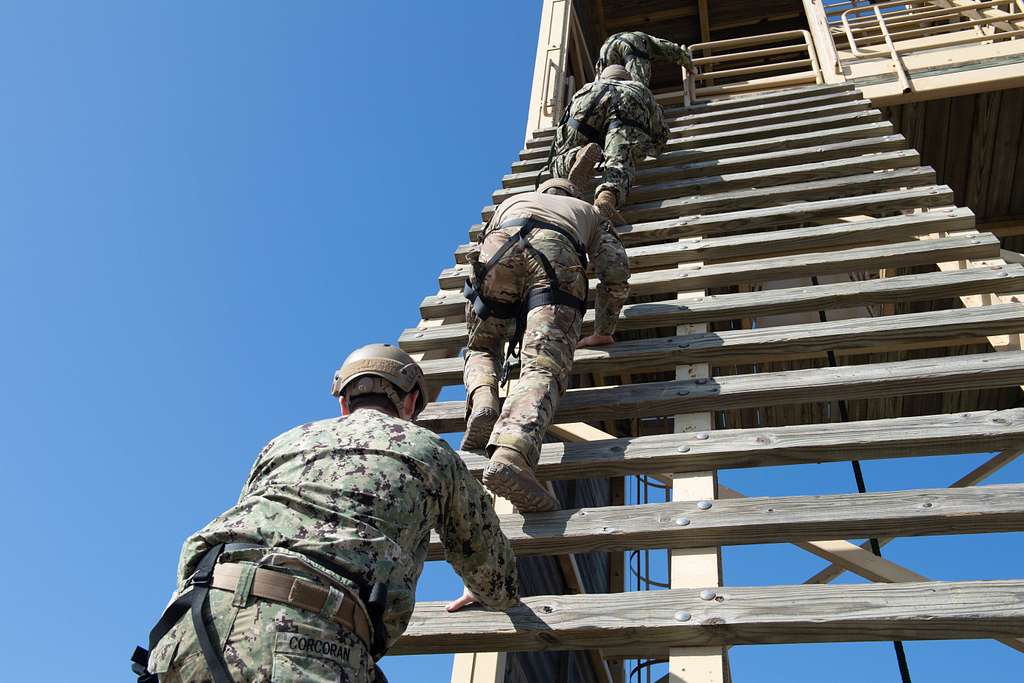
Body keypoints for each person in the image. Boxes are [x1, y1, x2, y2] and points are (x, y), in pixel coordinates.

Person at [132, 344, 519, 683]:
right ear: (411, 402)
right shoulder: (431, 450)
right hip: (304, 636)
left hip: (190, 628)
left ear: (343, 401)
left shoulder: (282, 443)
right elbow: (494, 575)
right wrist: (483, 588)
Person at [462, 178, 630, 512]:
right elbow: (615, 270)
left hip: (498, 249)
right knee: (542, 365)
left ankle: (483, 398)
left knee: (483, 346)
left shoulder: (513, 200)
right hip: (556, 256)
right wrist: (603, 329)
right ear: (572, 193)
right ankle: (511, 453)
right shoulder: (587, 211)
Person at [549, 64, 669, 225]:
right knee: (620, 161)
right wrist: (654, 147)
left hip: (585, 112)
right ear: (626, 77)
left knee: (563, 152)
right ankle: (607, 197)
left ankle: (575, 157)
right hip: (623, 122)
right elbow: (660, 131)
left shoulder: (587, 87)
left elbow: (565, 119)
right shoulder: (639, 89)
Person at [595, 30, 695, 87]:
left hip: (606, 46)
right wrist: (690, 67)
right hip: (631, 45)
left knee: (603, 85)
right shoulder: (651, 42)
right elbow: (674, 50)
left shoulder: (640, 38)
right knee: (637, 88)